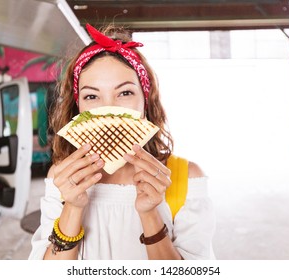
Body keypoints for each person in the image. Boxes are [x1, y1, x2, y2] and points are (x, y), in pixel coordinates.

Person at [29, 24, 215, 260]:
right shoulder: (63, 176)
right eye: (92, 96)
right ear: (79, 108)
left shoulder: (184, 177)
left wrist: (149, 214)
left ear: (145, 101)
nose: (109, 110)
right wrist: (73, 208)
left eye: (125, 93)